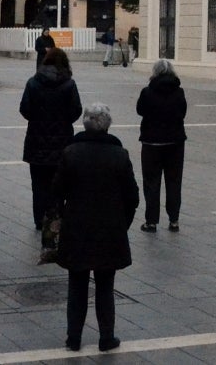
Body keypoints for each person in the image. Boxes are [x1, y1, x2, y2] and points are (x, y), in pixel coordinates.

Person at [54, 103, 139, 353]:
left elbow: (56, 191)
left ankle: (73, 337)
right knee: (105, 284)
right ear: (108, 124)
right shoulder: (119, 155)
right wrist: (123, 223)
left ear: (85, 123)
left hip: (77, 227)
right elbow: (132, 197)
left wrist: (64, 217)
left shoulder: (70, 152)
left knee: (77, 283)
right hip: (109, 229)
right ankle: (106, 337)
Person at [20, 47, 82, 255]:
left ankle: (40, 219)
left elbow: (24, 109)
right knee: (61, 183)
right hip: (62, 141)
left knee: (38, 183)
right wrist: (62, 121)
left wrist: (39, 119)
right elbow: (76, 110)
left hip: (37, 140)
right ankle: (56, 216)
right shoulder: (68, 84)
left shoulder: (33, 82)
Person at [137, 60, 186, 232]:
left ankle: (151, 221)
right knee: (174, 181)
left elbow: (140, 110)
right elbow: (183, 113)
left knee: (151, 182)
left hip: (152, 142)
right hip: (175, 142)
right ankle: (174, 220)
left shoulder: (147, 92)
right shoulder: (179, 92)